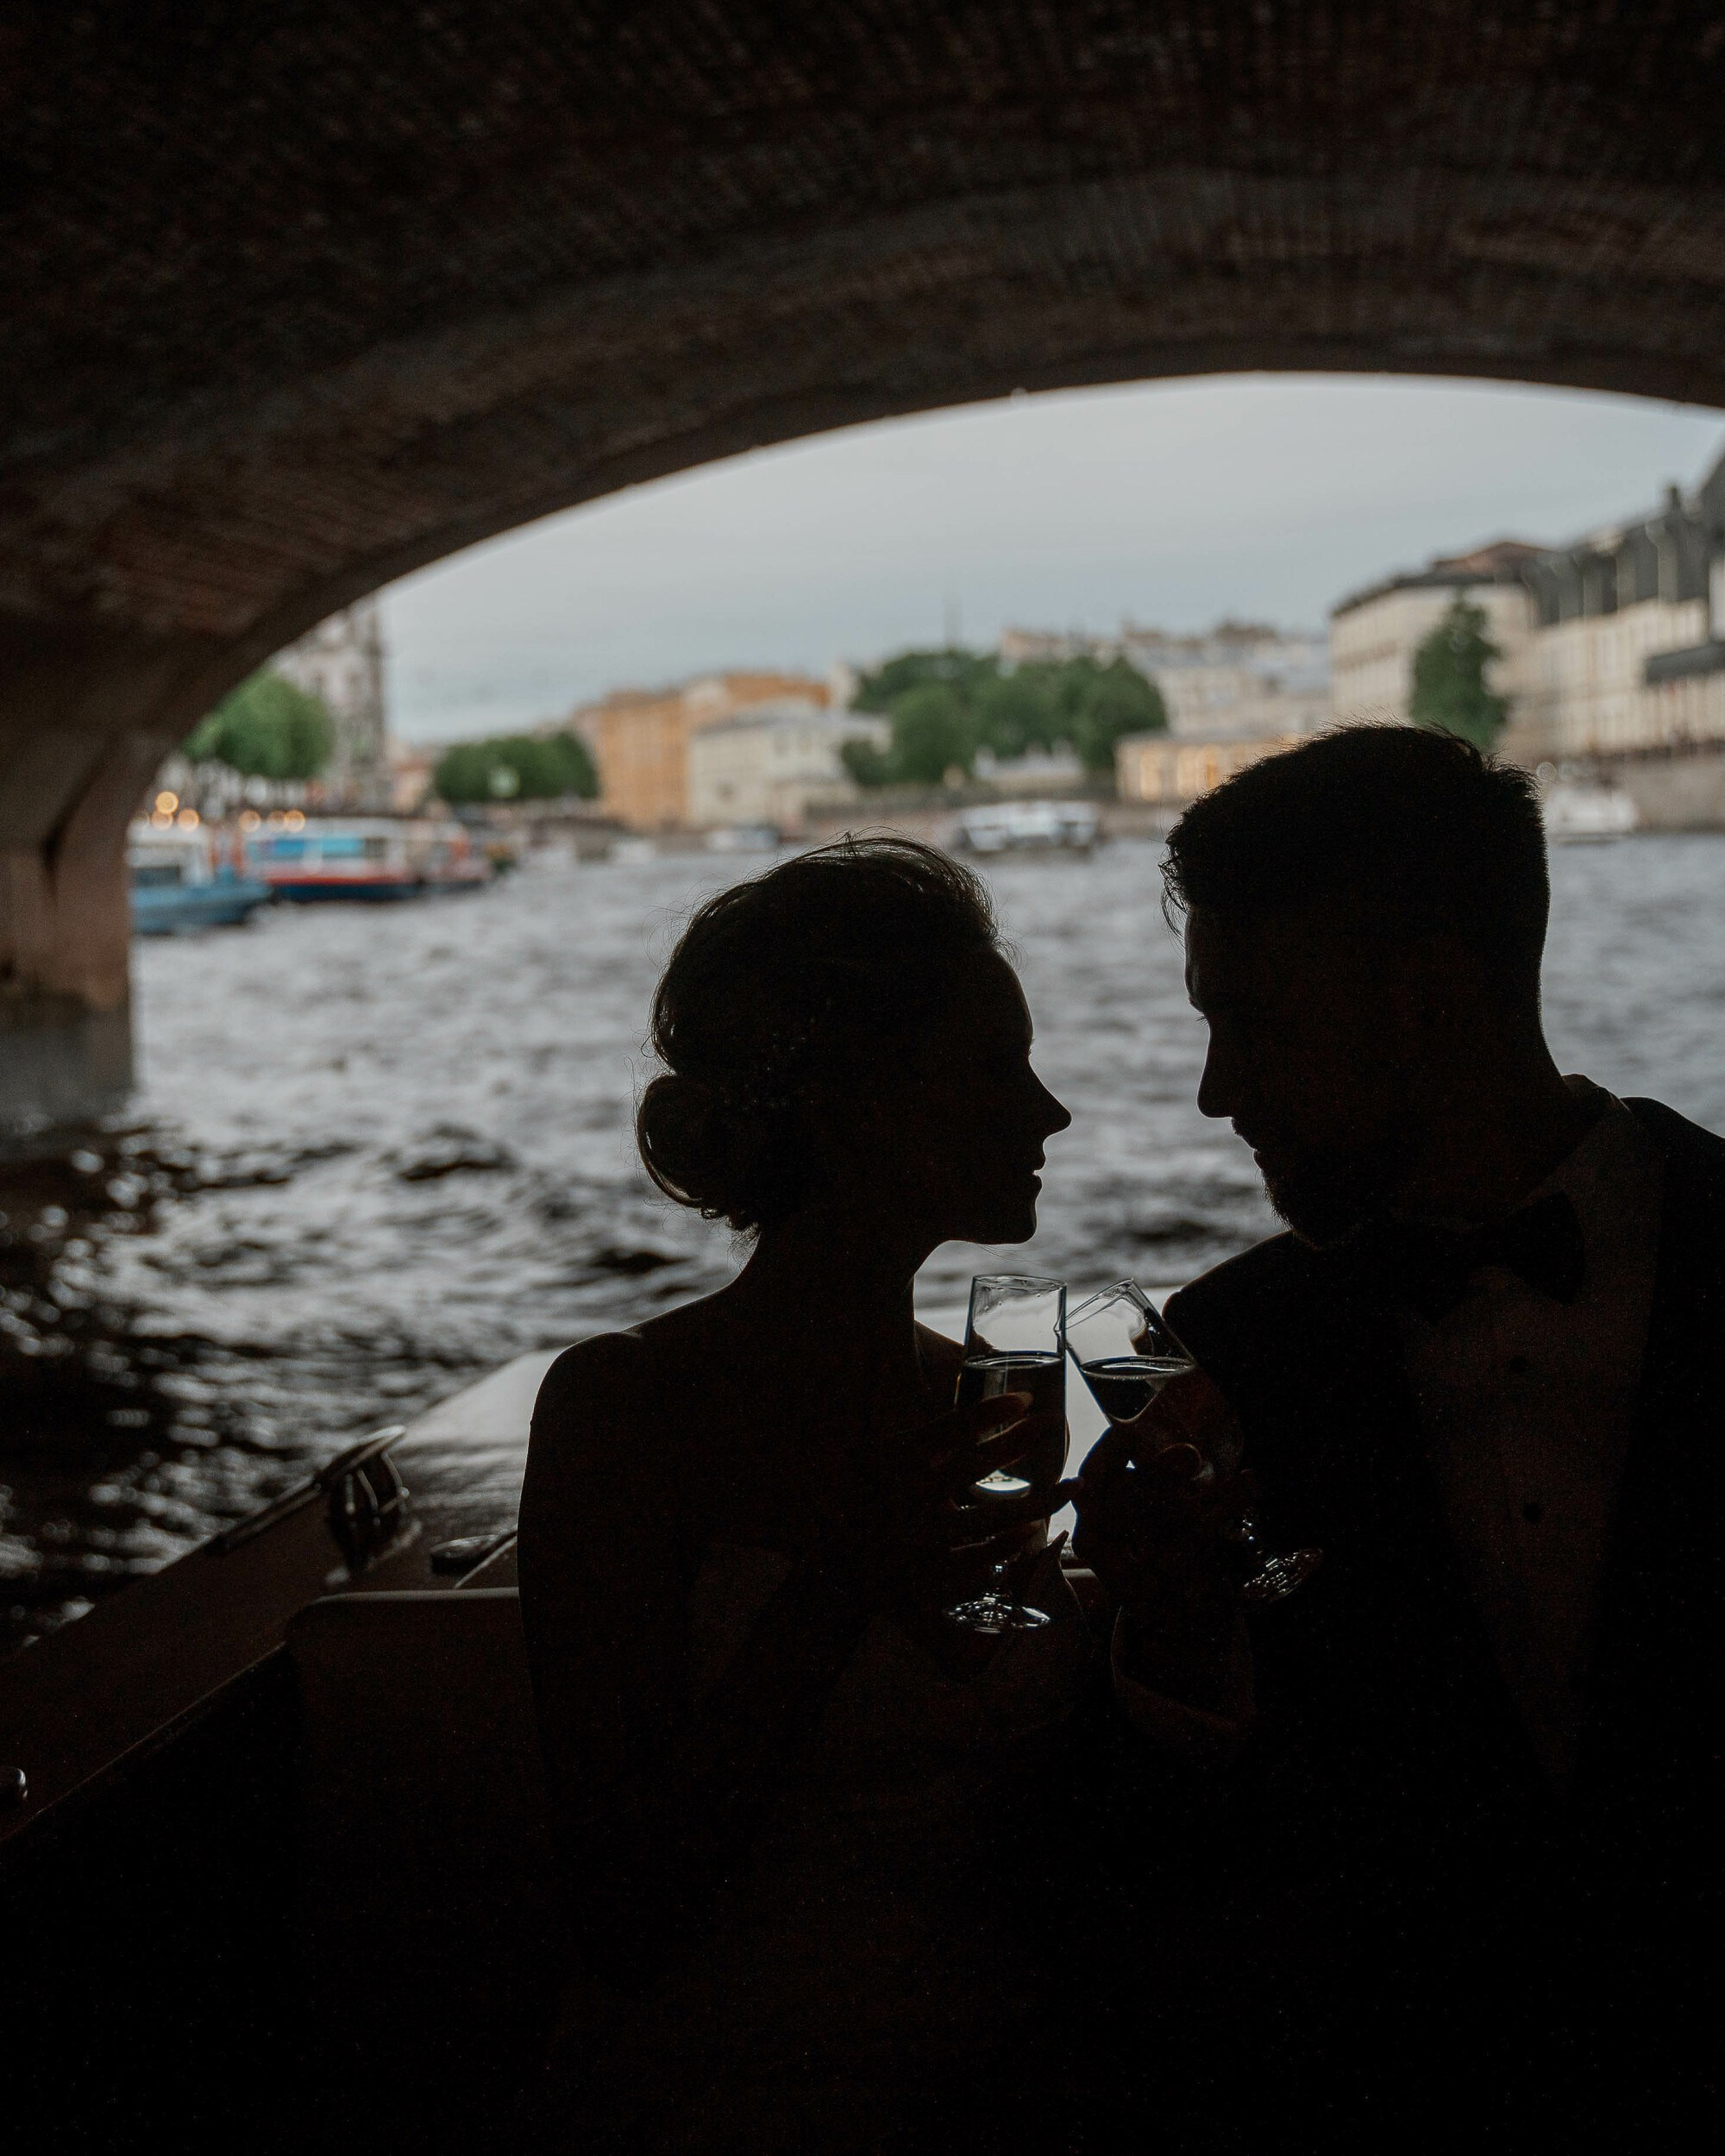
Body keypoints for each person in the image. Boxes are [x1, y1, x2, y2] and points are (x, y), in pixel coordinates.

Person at [1070, 727, 1723, 2147]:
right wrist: (1173, 1641)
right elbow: (1196, 1874)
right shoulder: (1230, 1348)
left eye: (1254, 1023)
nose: (1213, 1092)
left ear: (1426, 995)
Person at [518, 837, 1081, 2155]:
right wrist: (845, 1581)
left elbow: (1035, 1818)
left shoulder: (981, 1396)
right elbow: (624, 1912)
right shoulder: (624, 1410)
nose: (1048, 1114)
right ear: (857, 1107)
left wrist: (1172, 1608)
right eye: (995, 1067)